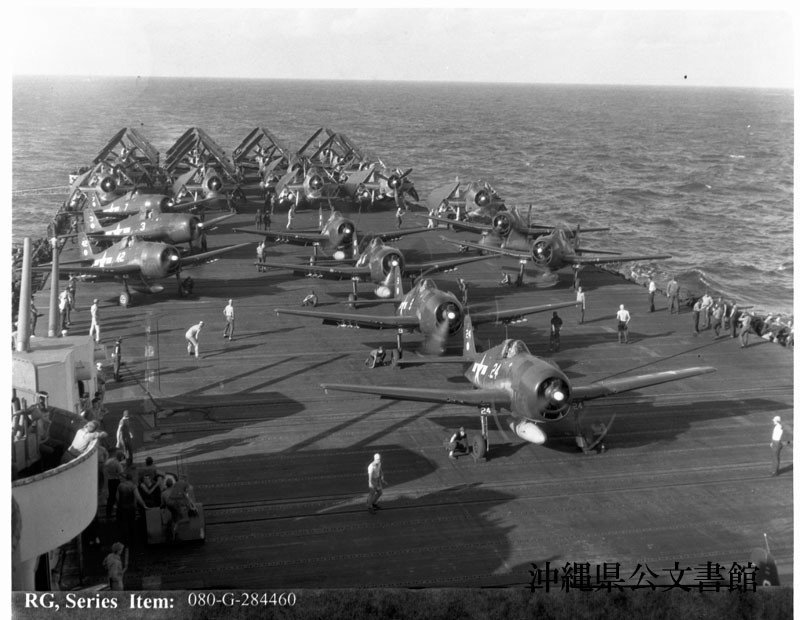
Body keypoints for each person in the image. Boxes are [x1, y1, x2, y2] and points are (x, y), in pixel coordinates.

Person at [104, 451, 124, 520]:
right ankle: (119, 513)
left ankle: (108, 513)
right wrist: (126, 476)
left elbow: (105, 465)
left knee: (111, 496)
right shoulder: (118, 464)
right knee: (118, 496)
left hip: (110, 480)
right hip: (116, 481)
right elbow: (121, 473)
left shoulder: (110, 461)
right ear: (120, 457)